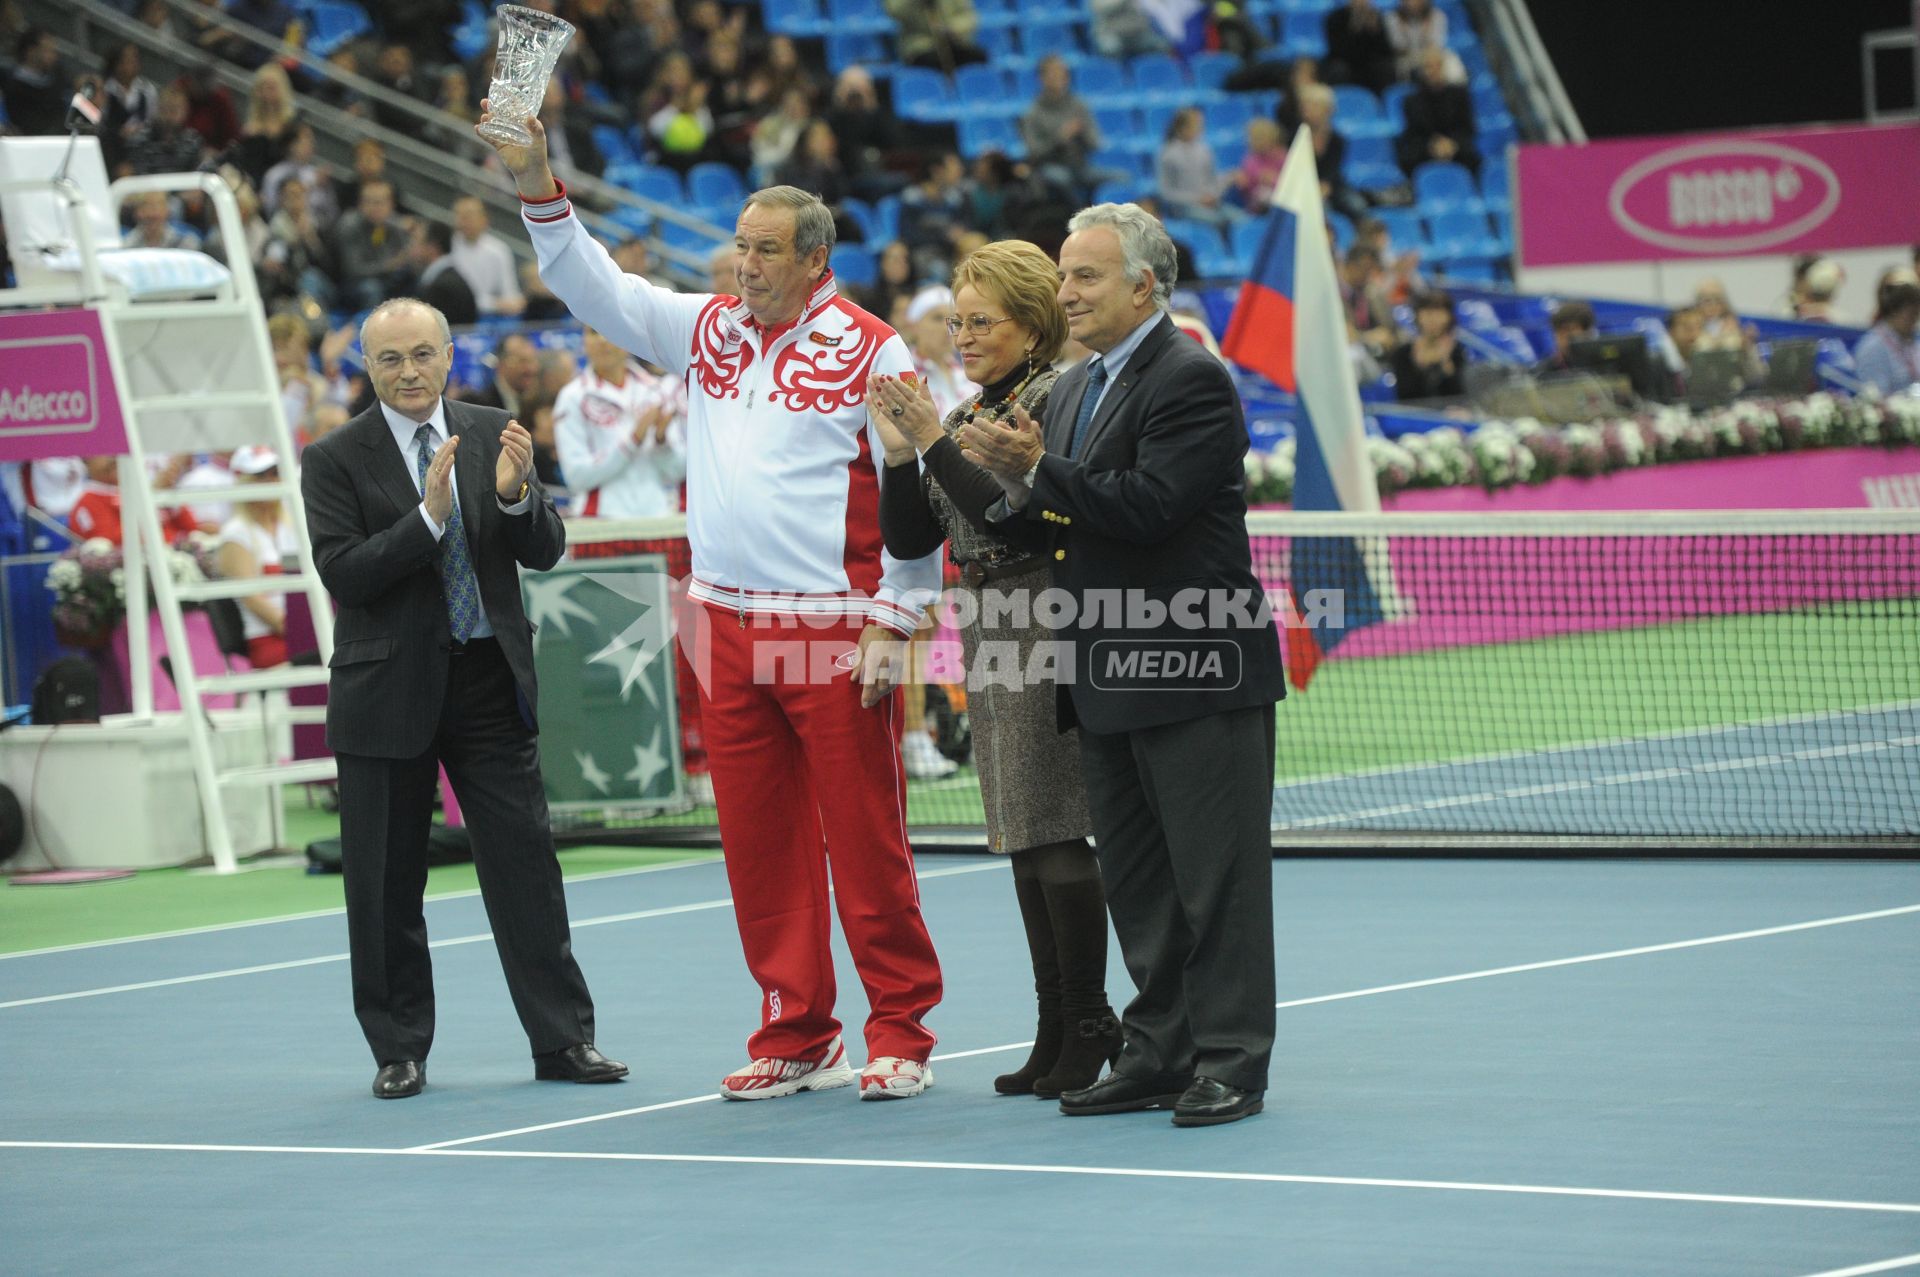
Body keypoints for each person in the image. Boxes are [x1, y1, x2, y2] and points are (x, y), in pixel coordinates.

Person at [480, 101, 946, 1101]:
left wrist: (901, 616)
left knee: (866, 836)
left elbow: (915, 492)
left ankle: (900, 1023)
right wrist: (533, 174)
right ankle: (798, 1029)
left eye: (766, 250)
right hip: (722, 623)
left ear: (816, 259)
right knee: (759, 839)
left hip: (830, 631)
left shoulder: (877, 351)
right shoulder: (708, 330)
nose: (745, 266)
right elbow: (586, 282)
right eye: (739, 247)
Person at [956, 203, 1285, 1127]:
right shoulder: (1069, 390)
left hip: (1195, 670)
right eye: (1063, 275)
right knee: (1140, 883)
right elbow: (1046, 518)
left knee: (1214, 880)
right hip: (1100, 672)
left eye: (1085, 276)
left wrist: (1037, 471)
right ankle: (1158, 1050)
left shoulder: (1193, 380)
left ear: (1145, 285)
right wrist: (955, 455)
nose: (1066, 292)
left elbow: (1146, 507)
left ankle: (1231, 1061)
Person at [298, 297, 626, 1100]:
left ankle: (563, 1040)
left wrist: (516, 498)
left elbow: (545, 548)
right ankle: (398, 1048)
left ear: (449, 356)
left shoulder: (492, 430)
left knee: (526, 871)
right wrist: (426, 519)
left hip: (487, 680)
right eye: (389, 360)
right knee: (382, 884)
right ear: (365, 369)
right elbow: (345, 572)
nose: (409, 372)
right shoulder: (334, 457)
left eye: (422, 354)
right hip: (386, 692)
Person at [870, 241, 1120, 1097]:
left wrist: (933, 436)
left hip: (1040, 608)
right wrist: (901, 454)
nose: (963, 336)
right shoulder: (981, 402)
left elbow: (1012, 518)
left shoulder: (1052, 395)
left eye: (982, 322)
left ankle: (1088, 1020)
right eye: (956, 321)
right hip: (987, 618)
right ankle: (1057, 1020)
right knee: (1020, 830)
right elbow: (911, 538)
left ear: (1031, 323)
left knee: (1050, 822)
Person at [213, 446, 297, 669]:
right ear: (243, 482)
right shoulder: (236, 534)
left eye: (274, 473)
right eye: (260, 476)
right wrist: (301, 630)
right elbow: (252, 599)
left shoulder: (291, 526)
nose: (271, 481)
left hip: (302, 633)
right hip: (270, 641)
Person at [1395, 45, 1479, 176]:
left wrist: (1452, 143)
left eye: (1437, 65)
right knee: (1408, 157)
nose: (1433, 71)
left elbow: (1468, 128)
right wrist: (1432, 146)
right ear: (1421, 70)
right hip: (1425, 150)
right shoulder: (1410, 101)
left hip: (1455, 147)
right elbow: (1412, 135)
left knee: (1473, 155)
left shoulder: (1459, 94)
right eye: (1428, 66)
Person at [448, 196, 527, 317]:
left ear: (484, 219)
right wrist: (495, 304)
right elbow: (455, 296)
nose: (464, 221)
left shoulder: (498, 250)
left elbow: (510, 292)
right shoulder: (448, 248)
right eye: (459, 215)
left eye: (469, 215)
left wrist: (516, 302)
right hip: (458, 313)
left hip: (491, 316)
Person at [1390, 289, 1464, 401]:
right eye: (1428, 312)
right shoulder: (1402, 353)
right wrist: (1419, 366)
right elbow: (1405, 396)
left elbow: (1460, 395)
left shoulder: (1458, 352)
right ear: (1418, 316)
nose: (1433, 319)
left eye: (1439, 312)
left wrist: (1446, 365)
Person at [1853, 281, 1920, 395]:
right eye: (1911, 314)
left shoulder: (1912, 342)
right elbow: (1876, 397)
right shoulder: (1872, 347)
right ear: (1894, 312)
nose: (1915, 320)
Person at [1533, 300, 1595, 375]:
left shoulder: (1603, 365)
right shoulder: (1543, 371)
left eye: (1569, 330)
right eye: (1559, 332)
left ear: (1587, 332)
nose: (1563, 337)